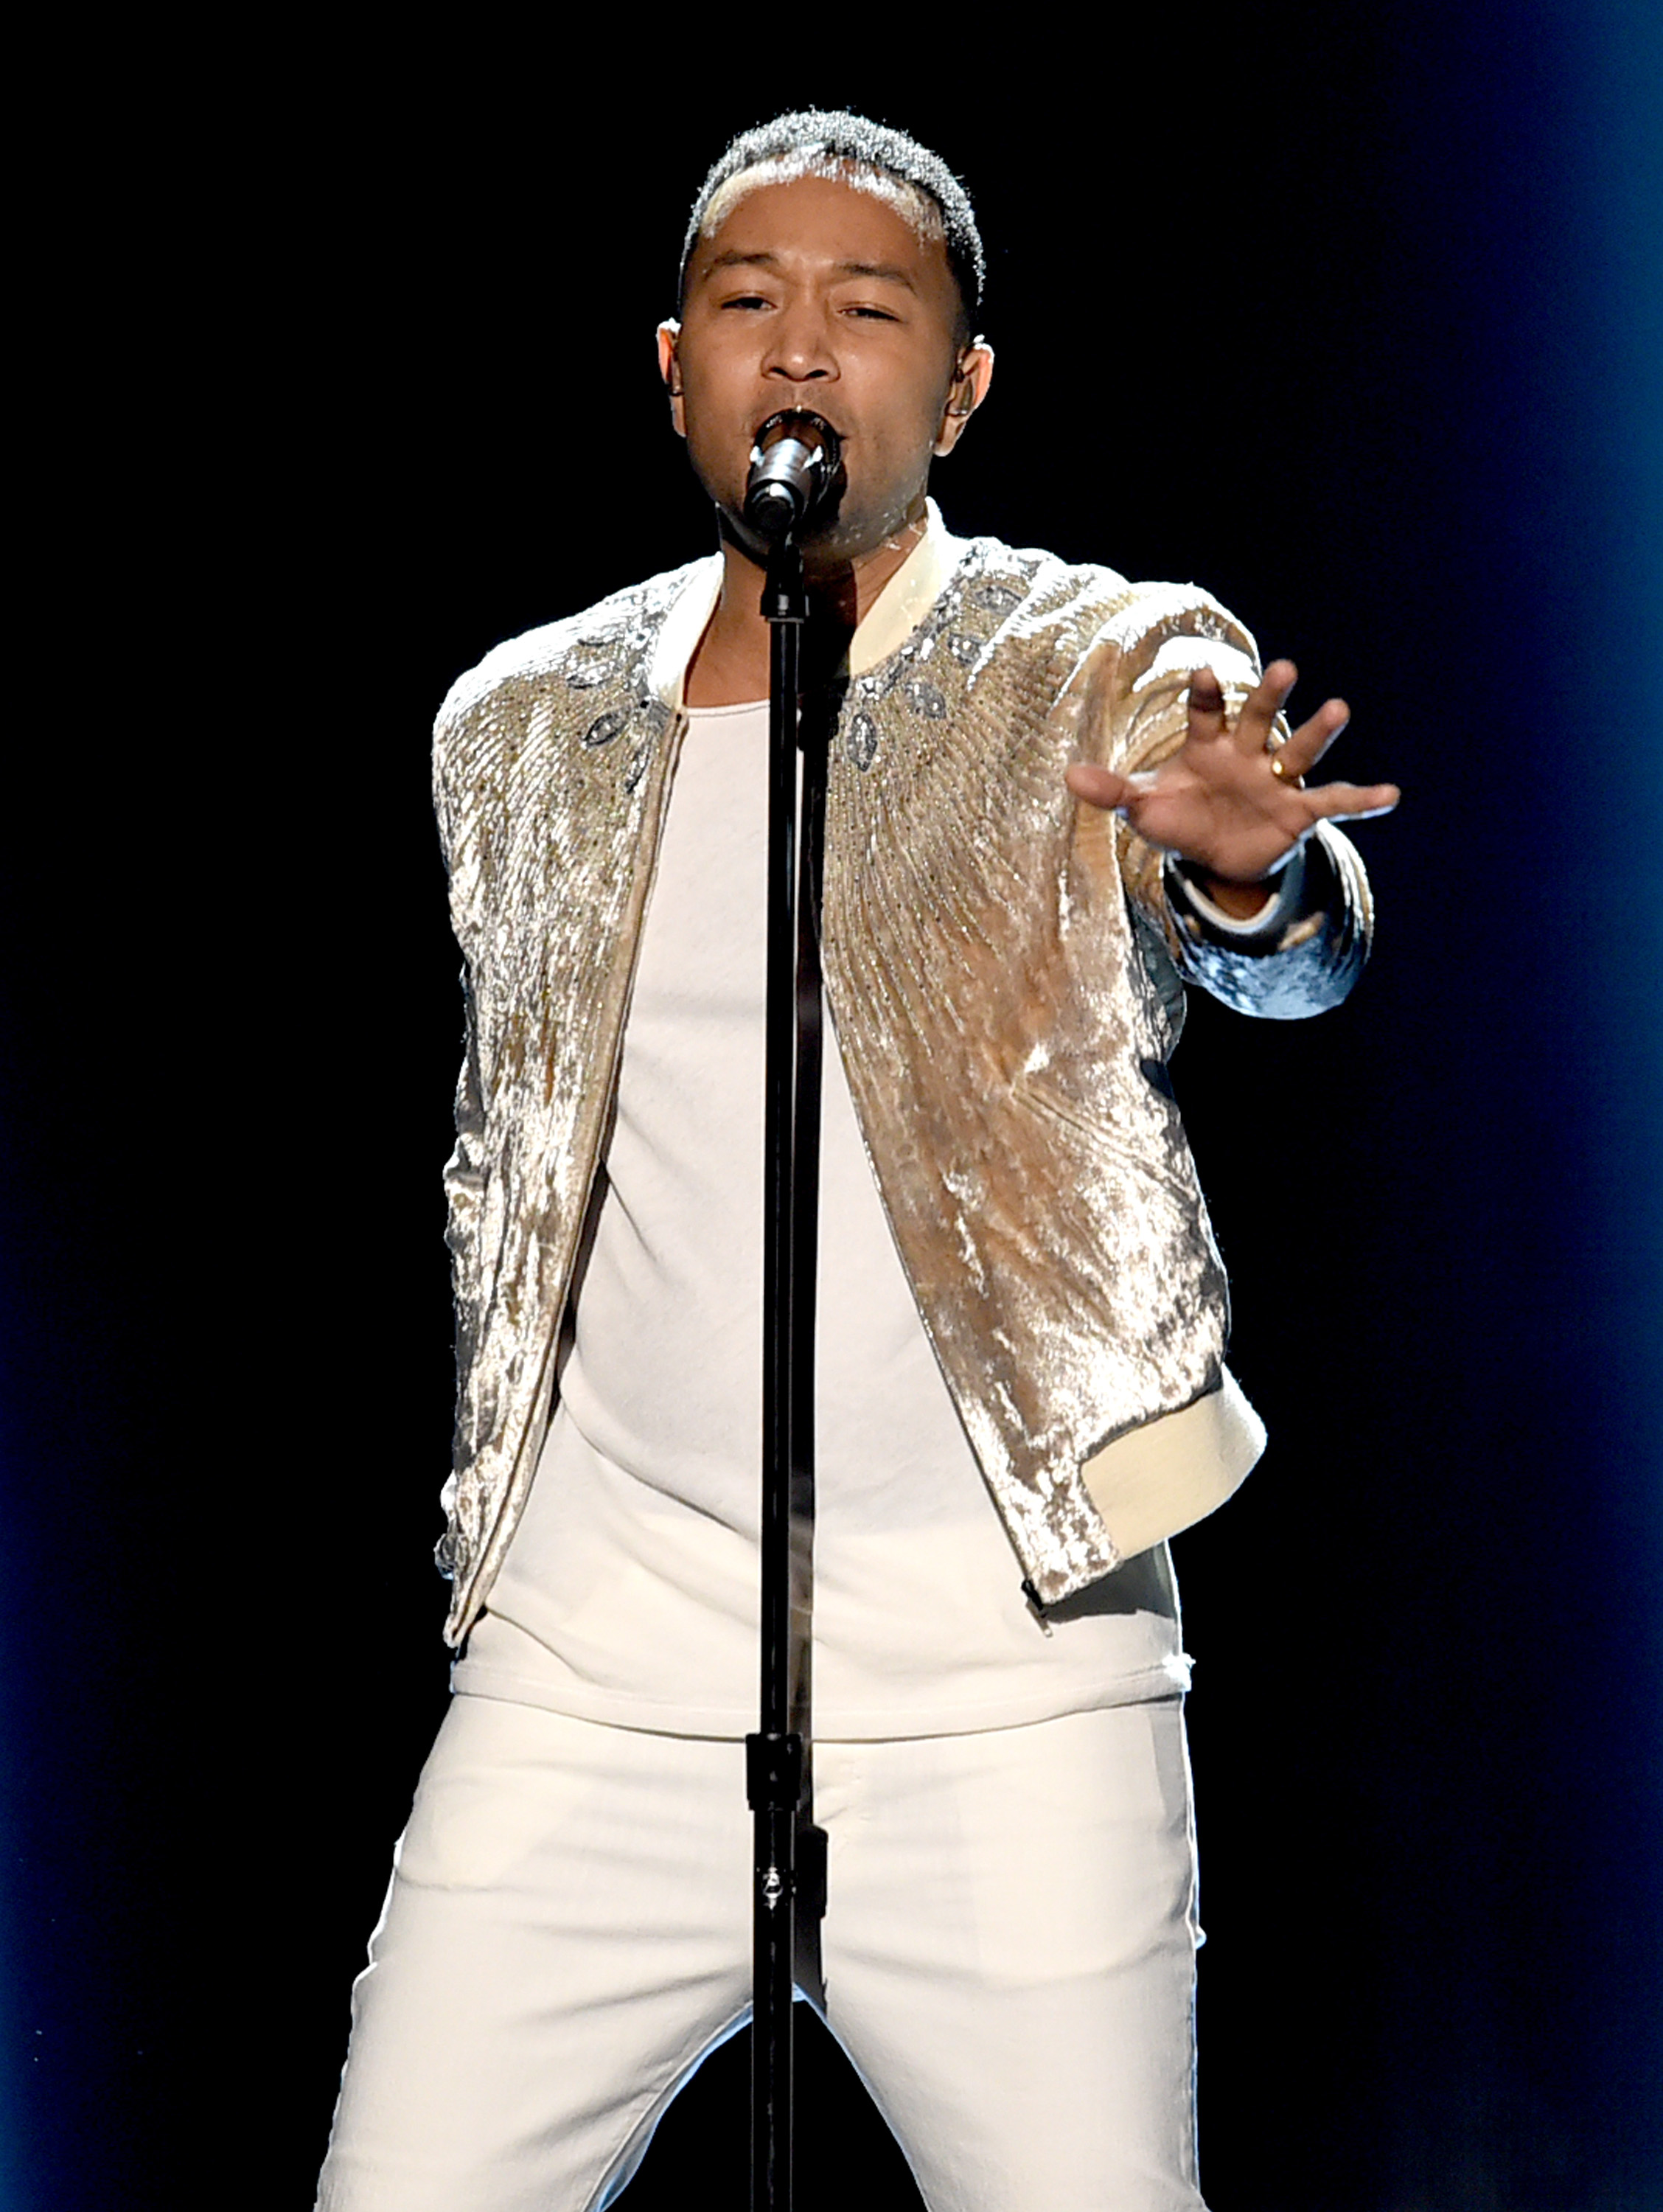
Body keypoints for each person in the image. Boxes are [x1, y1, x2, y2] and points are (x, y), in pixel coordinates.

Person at [316, 111, 1397, 2212]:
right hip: (600, 1661)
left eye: (865, 310)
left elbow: (1274, 943)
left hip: (1011, 1664)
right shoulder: (517, 725)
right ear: (674, 366)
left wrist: (1262, 890)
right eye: (747, 306)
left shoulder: (1096, 663)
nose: (799, 350)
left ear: (963, 384)